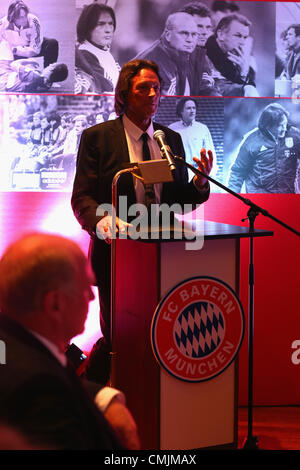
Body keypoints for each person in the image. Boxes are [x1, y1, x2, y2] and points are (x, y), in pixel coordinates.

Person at [71, 59, 213, 384]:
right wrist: (102, 223)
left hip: (165, 256)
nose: (152, 94)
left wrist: (200, 184)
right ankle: (94, 398)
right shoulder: (98, 138)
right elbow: (82, 199)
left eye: (156, 89)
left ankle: (150, 404)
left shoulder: (169, 139)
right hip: (118, 254)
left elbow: (177, 200)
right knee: (117, 338)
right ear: (124, 94)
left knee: (161, 332)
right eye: (142, 88)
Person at [0, 233, 140, 450]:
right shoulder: (39, 396)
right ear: (55, 303)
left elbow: (52, 378)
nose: (92, 298)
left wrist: (104, 398)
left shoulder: (14, 345)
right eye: (86, 288)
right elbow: (46, 387)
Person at [227, 103, 300, 193]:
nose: (284, 128)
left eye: (285, 124)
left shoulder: (296, 136)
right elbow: (238, 172)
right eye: (281, 125)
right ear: (268, 126)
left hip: (288, 198)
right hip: (260, 200)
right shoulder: (251, 141)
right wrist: (232, 198)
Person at [134, 12, 198, 96]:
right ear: (168, 35)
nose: (190, 39)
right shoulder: (152, 63)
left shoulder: (179, 55)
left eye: (193, 34)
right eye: (184, 33)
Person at [205, 13, 258, 97]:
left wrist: (244, 72)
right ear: (221, 35)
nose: (242, 43)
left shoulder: (237, 57)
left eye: (245, 37)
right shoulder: (203, 57)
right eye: (238, 36)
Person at [75, 3, 120, 94]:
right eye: (101, 24)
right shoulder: (85, 54)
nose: (108, 30)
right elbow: (108, 88)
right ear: (88, 27)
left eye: (111, 24)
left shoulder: (102, 50)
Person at [169, 97, 217, 181]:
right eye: (188, 108)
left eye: (194, 108)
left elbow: (210, 151)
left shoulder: (202, 128)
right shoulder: (172, 129)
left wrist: (210, 174)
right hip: (179, 172)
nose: (192, 111)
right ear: (181, 111)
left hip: (198, 172)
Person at [0, 0, 58, 68]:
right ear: (13, 18)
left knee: (52, 43)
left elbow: (35, 50)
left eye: (25, 15)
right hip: (12, 53)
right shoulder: (2, 24)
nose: (25, 19)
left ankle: (48, 75)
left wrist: (17, 50)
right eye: (21, 17)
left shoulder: (34, 21)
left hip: (26, 48)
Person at [0, 35, 68, 92]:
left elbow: (13, 65)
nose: (50, 64)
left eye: (52, 65)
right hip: (9, 79)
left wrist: (29, 61)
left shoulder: (34, 76)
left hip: (5, 76)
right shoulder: (47, 85)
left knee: (5, 43)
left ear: (52, 70)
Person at [178, 2, 219, 96]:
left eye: (208, 27)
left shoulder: (201, 53)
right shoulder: (174, 55)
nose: (205, 32)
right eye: (199, 26)